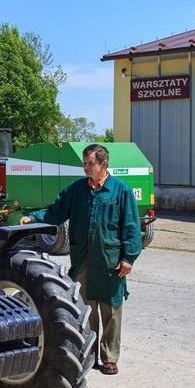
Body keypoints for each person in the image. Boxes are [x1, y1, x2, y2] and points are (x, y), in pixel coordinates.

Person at [19, 144, 141, 375]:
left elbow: (132, 227)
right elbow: (55, 211)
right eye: (84, 163)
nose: (85, 168)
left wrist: (128, 258)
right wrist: (33, 217)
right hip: (83, 259)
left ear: (104, 164)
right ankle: (90, 353)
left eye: (90, 164)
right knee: (85, 310)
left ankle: (109, 357)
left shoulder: (120, 191)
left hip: (110, 262)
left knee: (111, 311)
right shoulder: (77, 190)